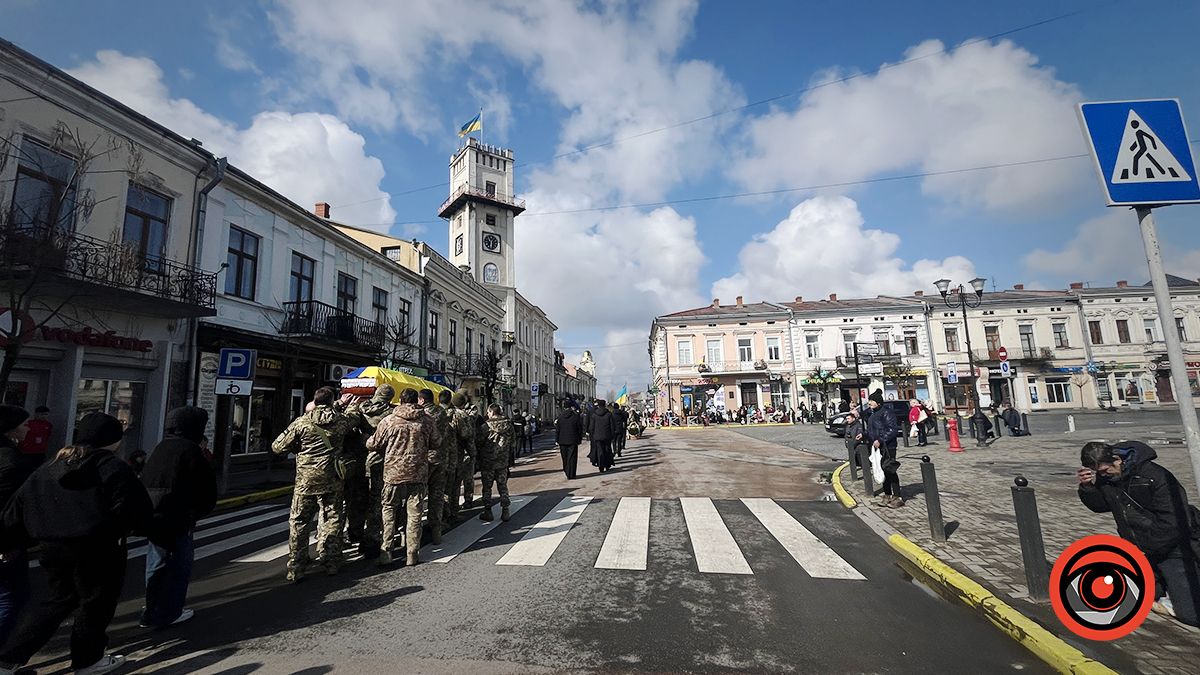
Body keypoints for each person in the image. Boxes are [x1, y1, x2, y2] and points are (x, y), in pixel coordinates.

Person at [0, 412, 152, 675]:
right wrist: (122, 530)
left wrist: (7, 542)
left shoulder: (50, 467)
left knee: (55, 601)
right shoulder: (112, 467)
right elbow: (136, 510)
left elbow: (17, 509)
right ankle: (88, 660)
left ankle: (7, 660)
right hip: (98, 547)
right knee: (95, 605)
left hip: (52, 547)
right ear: (113, 440)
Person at [1078, 441, 1200, 627]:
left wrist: (1148, 549)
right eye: (1098, 472)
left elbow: (1175, 522)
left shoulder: (1155, 476)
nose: (1102, 475)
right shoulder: (1108, 479)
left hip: (1174, 549)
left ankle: (1174, 590)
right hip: (1144, 550)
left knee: (1191, 615)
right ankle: (1165, 588)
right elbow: (1101, 505)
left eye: (1104, 471)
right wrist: (1088, 487)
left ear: (1118, 459)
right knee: (1126, 595)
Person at [138, 406, 217, 629]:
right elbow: (206, 490)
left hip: (153, 518)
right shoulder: (190, 451)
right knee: (178, 566)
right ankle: (170, 612)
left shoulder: (161, 447)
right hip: (178, 518)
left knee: (156, 565)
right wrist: (194, 514)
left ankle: (151, 608)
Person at [271, 386, 355, 582]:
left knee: (299, 522)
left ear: (314, 401)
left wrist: (298, 448)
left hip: (305, 480)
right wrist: (344, 405)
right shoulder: (340, 421)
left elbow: (277, 447)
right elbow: (354, 420)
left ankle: (296, 566)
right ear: (332, 400)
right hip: (332, 478)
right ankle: (331, 560)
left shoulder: (301, 423)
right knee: (332, 519)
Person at [367, 388, 433, 566]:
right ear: (415, 401)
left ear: (401, 400)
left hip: (393, 472)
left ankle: (386, 551)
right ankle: (412, 552)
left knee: (388, 509)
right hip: (418, 472)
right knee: (415, 513)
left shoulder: (388, 421)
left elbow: (374, 444)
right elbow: (437, 442)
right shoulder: (427, 420)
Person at [0, 406, 34, 645]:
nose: (28, 427)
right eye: (24, 424)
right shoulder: (10, 462)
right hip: (6, 542)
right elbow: (16, 507)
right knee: (11, 597)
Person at [352, 384, 396, 559]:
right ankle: (371, 538)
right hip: (379, 461)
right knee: (377, 501)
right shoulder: (391, 414)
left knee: (357, 498)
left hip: (358, 460)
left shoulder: (360, 408)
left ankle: (354, 532)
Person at [419, 389, 449, 545]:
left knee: (417, 496)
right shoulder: (442, 412)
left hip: (425, 459)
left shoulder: (422, 415)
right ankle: (436, 530)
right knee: (437, 495)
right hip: (441, 457)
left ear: (422, 400)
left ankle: (413, 532)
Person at [866, 390, 903, 508]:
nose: (869, 403)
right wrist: (863, 434)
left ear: (878, 403)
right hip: (877, 447)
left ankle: (897, 497)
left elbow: (892, 429)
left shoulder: (886, 413)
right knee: (882, 470)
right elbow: (871, 430)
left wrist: (881, 440)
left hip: (888, 446)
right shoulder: (873, 414)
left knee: (890, 469)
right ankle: (887, 494)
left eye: (871, 401)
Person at [478, 404, 515, 522]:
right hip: (503, 461)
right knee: (502, 486)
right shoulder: (509, 425)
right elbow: (514, 442)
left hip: (488, 461)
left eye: (488, 412)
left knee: (487, 487)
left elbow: (478, 442)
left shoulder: (486, 426)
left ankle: (488, 511)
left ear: (492, 412)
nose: (487, 414)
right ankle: (505, 510)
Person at [446, 392, 476, 523]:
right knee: (456, 483)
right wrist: (472, 453)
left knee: (444, 485)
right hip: (457, 453)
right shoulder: (462, 416)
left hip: (441, 454)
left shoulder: (443, 413)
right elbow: (466, 435)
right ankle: (453, 511)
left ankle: (444, 513)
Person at [586, 400, 619, 472]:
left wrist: (592, 434)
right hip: (607, 435)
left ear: (598, 405)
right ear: (605, 405)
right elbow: (612, 426)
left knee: (600, 451)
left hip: (597, 436)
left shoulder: (594, 415)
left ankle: (601, 466)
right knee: (607, 450)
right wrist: (612, 435)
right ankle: (607, 465)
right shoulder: (609, 414)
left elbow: (591, 427)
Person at [555, 404, 584, 480]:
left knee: (564, 457)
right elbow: (579, 429)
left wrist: (557, 440)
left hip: (562, 440)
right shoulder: (575, 417)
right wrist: (580, 438)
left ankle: (566, 471)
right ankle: (572, 474)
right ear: (571, 407)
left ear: (564, 408)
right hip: (573, 439)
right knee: (572, 457)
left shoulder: (560, 417)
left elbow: (557, 430)